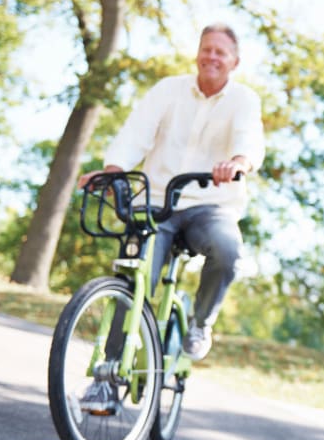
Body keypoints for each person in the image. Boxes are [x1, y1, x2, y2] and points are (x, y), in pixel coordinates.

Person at [78, 23, 266, 364]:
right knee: (135, 277)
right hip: (156, 202)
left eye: (220, 52)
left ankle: (200, 323)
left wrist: (238, 162)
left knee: (228, 250)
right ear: (197, 54)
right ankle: (108, 370)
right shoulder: (168, 90)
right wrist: (113, 170)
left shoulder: (244, 99)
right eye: (206, 49)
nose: (211, 56)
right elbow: (135, 133)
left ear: (235, 62)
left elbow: (248, 138)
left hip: (211, 205)